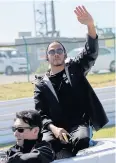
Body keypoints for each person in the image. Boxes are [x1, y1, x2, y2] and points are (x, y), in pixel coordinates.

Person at [34, 6, 108, 158]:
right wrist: (53, 128)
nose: (56, 54)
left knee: (81, 140)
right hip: (53, 128)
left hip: (78, 124)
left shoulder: (75, 69)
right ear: (47, 57)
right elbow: (41, 114)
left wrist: (90, 25)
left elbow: (90, 53)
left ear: (65, 54)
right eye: (52, 52)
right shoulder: (41, 84)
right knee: (46, 147)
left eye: (59, 50)